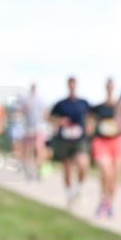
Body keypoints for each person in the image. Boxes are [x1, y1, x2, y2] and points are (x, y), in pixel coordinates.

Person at [89, 77, 121, 218]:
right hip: (102, 142)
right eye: (109, 86)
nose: (110, 88)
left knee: (114, 176)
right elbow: (91, 125)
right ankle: (103, 200)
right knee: (106, 172)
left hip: (117, 142)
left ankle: (109, 202)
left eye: (112, 86)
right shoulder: (99, 107)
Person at [50, 77, 92, 207]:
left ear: (76, 86)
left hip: (80, 138)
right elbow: (50, 117)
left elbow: (91, 116)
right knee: (67, 168)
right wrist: (59, 121)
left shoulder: (83, 103)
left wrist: (90, 127)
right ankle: (69, 195)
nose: (72, 87)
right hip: (65, 139)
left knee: (83, 163)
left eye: (74, 85)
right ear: (68, 86)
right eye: (70, 85)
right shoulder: (61, 103)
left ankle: (79, 188)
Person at [21, 83, 48, 180]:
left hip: (39, 128)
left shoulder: (41, 100)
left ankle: (39, 170)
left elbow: (46, 113)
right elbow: (22, 112)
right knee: (29, 150)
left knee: (39, 149)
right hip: (29, 129)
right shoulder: (26, 100)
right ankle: (29, 171)